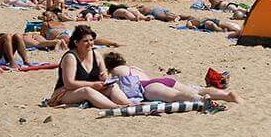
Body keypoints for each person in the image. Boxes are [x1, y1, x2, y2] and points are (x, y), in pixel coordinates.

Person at [103, 52, 241, 104]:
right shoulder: (134, 68)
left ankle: (202, 101)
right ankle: (226, 95)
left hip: (147, 87)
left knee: (176, 96)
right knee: (197, 90)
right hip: (164, 80)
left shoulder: (114, 71)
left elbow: (113, 86)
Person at [47, 25, 130, 109]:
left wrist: (103, 77)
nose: (90, 43)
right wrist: (93, 85)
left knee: (113, 86)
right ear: (76, 42)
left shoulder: (95, 54)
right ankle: (116, 107)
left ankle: (127, 104)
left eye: (91, 40)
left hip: (93, 89)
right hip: (65, 92)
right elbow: (69, 84)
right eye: (85, 41)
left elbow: (104, 75)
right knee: (86, 91)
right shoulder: (70, 57)